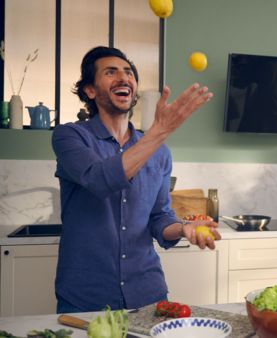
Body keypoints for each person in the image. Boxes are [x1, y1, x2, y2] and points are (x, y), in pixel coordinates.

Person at [51, 46, 220, 313]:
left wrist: (182, 228)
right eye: (110, 72)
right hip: (85, 297)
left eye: (128, 72)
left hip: (148, 293)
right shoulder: (69, 137)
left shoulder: (159, 151)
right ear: (90, 90)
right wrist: (160, 131)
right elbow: (99, 179)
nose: (123, 77)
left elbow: (159, 216)